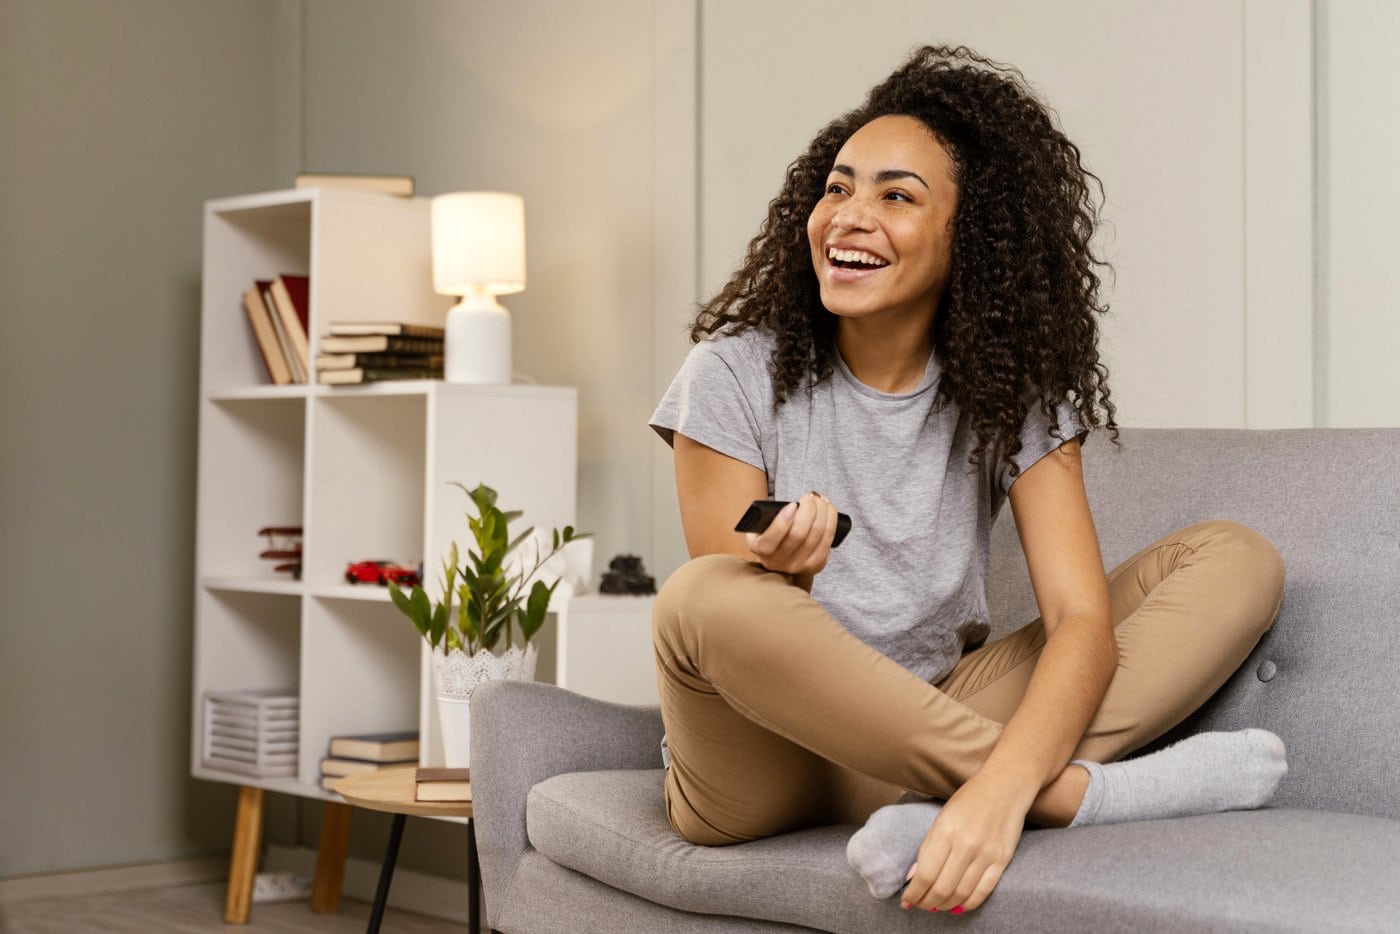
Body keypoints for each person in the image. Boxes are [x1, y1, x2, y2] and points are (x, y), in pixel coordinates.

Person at [648, 44, 1287, 915]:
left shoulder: (1006, 395)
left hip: (927, 719)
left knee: (1236, 557)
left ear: (970, 238)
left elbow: (1078, 620)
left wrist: (990, 782)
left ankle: (962, 800)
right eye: (837, 187)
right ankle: (1070, 797)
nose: (848, 215)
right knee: (701, 596)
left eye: (896, 195)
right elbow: (740, 632)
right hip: (759, 768)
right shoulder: (729, 374)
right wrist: (790, 578)